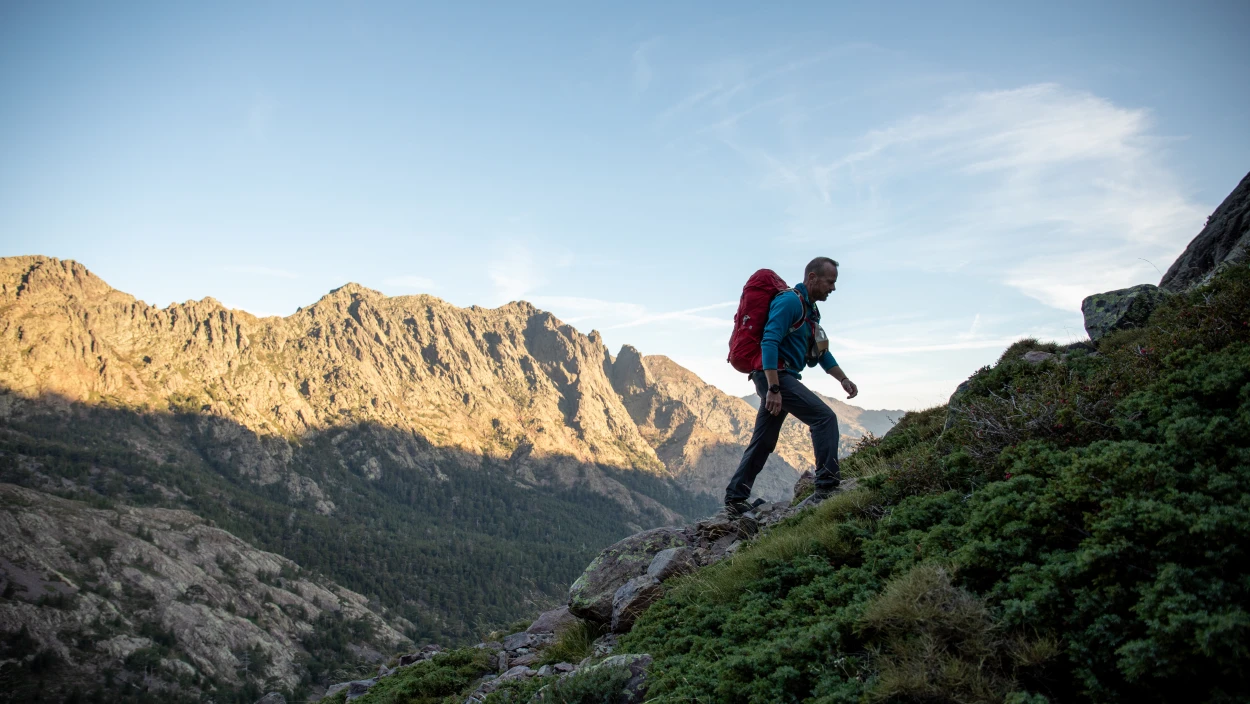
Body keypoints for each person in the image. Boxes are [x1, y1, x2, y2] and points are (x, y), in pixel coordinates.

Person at [724, 256, 858, 517]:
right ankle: (827, 488)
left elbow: (821, 352)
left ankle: (735, 499)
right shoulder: (790, 302)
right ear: (812, 278)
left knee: (763, 439)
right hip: (775, 376)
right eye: (830, 282)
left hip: (778, 377)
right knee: (824, 418)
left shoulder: (810, 312)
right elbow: (769, 341)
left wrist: (843, 379)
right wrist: (774, 389)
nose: (833, 288)